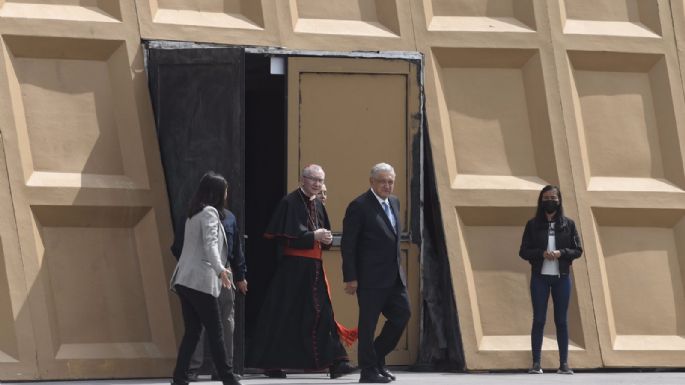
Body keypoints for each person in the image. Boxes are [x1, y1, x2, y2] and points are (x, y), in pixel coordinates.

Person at [249, 164, 356, 379]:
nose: (317, 184)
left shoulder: (317, 204)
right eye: (313, 179)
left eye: (320, 180)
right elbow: (282, 237)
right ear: (302, 180)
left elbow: (322, 236)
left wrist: (325, 239)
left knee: (324, 315)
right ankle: (272, 364)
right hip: (294, 270)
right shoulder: (289, 202)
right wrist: (312, 236)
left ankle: (337, 362)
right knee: (285, 315)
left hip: (314, 269)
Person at [169, 172, 241, 385]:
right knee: (216, 332)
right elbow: (210, 245)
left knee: (192, 331)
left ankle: (180, 377)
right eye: (225, 190)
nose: (227, 194)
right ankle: (228, 378)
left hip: (184, 279)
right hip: (200, 280)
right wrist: (221, 270)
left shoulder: (194, 213)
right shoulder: (209, 212)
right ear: (218, 193)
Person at [341, 163, 411, 383]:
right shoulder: (359, 206)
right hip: (369, 278)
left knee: (402, 315)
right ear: (372, 182)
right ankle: (368, 371)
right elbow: (348, 245)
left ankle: (376, 358)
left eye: (390, 181)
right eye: (382, 181)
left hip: (394, 277)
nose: (387, 186)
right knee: (368, 325)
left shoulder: (395, 202)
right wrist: (351, 277)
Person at [519, 185, 582, 375]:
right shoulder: (532, 225)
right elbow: (523, 251)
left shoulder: (568, 224)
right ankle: (536, 363)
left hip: (561, 278)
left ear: (559, 200)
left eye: (553, 197)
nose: (550, 201)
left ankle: (564, 364)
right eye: (546, 198)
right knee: (538, 319)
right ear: (541, 201)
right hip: (540, 278)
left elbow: (577, 250)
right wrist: (541, 254)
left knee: (561, 321)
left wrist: (560, 253)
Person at [185, 206, 247, 381]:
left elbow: (236, 248)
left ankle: (223, 368)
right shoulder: (194, 215)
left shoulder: (229, 217)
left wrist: (240, 275)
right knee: (199, 321)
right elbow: (179, 245)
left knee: (227, 321)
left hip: (224, 274)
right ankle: (192, 368)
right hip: (200, 273)